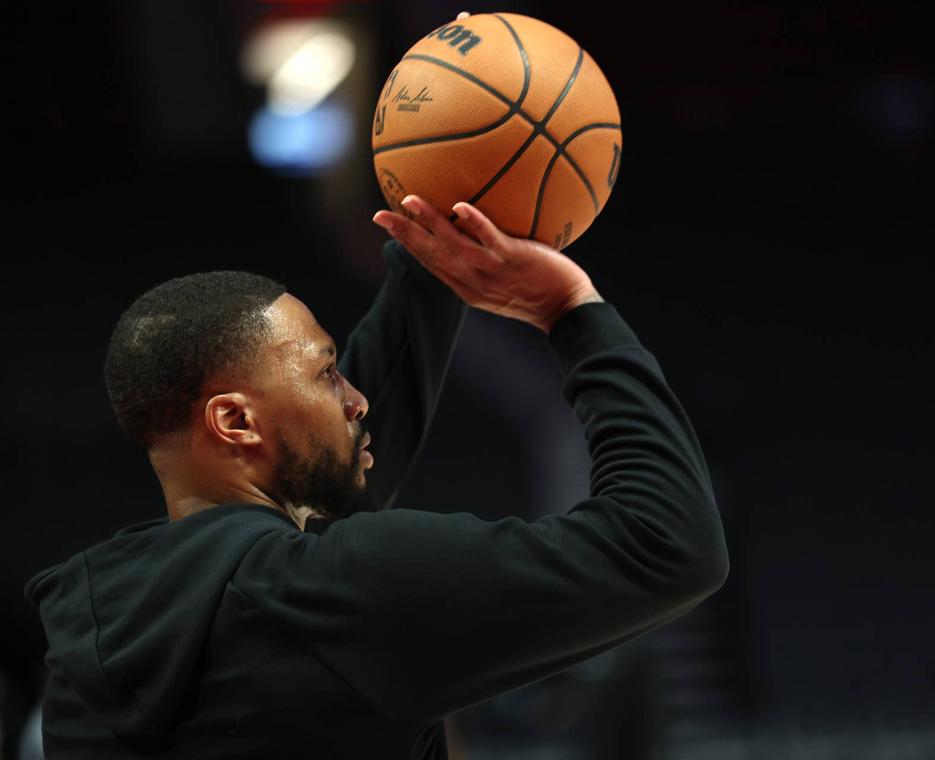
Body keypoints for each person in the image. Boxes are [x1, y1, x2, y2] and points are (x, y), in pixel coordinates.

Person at [24, 196, 729, 758]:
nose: (356, 398)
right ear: (235, 421)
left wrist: (430, 256)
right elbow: (668, 543)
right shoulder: (335, 597)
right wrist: (572, 313)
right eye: (326, 372)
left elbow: (325, 490)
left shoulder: (85, 637)